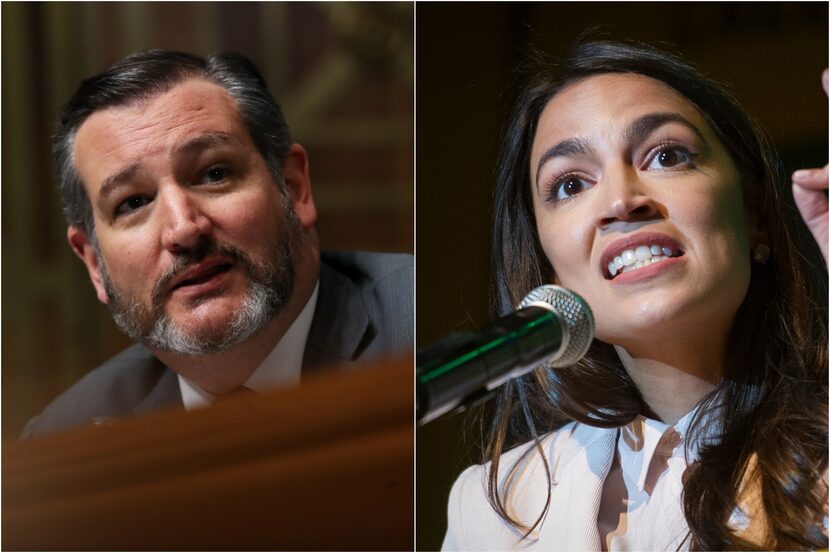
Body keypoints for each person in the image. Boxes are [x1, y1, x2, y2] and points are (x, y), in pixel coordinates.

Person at [442, 41, 827, 551]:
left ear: (755, 213)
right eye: (571, 185)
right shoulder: (495, 510)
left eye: (666, 155)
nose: (622, 201)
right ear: (550, 269)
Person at [23, 50, 413, 437]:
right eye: (134, 203)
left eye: (214, 173)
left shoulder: (422, 328)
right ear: (94, 265)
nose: (183, 229)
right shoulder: (63, 439)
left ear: (294, 189)